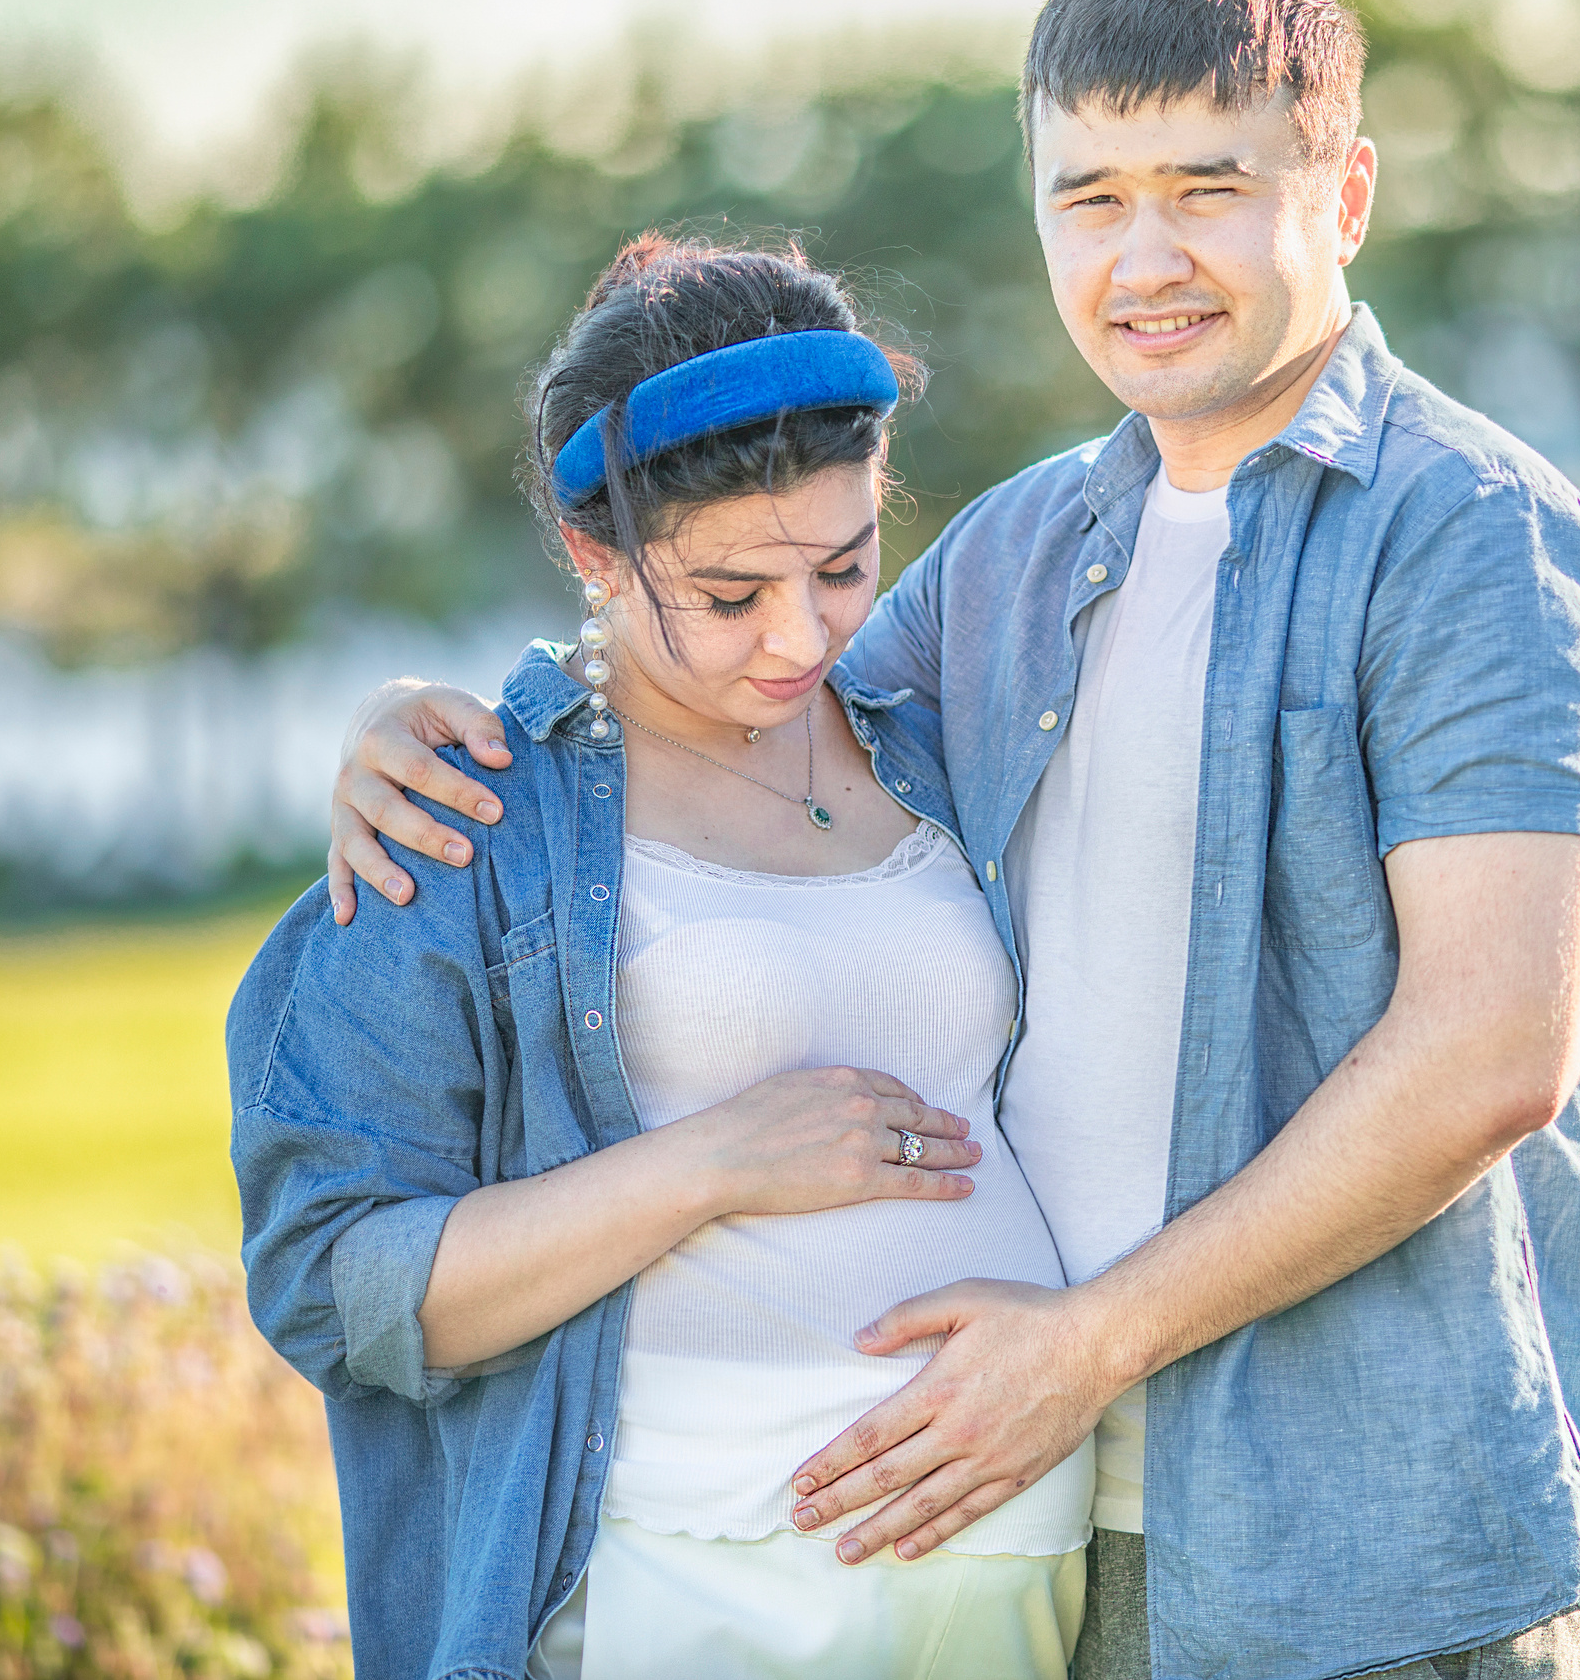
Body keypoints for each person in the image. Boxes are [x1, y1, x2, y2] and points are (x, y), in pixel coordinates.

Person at [328, 0, 1580, 1680]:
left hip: (1378, 1548)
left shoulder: (1471, 536)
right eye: (1089, 197)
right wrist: (422, 719)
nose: (1147, 255)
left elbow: (1491, 1050)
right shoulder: (1027, 548)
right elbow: (742, 707)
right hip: (1066, 1544)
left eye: (1210, 186)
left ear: (1342, 197)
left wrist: (1087, 1343)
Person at [229, 236, 1097, 1680]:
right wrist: (713, 1163)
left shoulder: (931, 733)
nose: (798, 635)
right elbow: (332, 1277)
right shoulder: (469, 824)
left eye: (842, 565)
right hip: (691, 1588)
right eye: (729, 592)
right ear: (594, 553)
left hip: (1014, 1582)